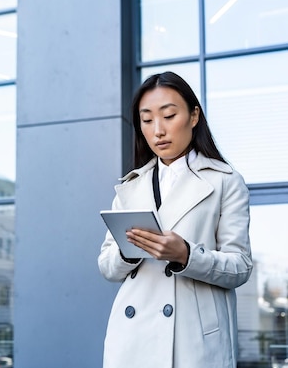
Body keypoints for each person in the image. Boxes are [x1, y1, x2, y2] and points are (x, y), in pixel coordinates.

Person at [98, 71, 253, 368]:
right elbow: (106, 266)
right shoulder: (130, 186)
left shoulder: (225, 181)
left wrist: (186, 255)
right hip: (132, 338)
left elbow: (240, 267)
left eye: (169, 115)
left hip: (193, 342)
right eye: (147, 120)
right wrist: (128, 253)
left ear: (194, 116)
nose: (158, 130)